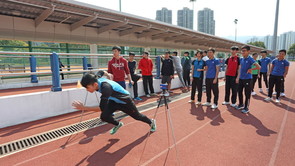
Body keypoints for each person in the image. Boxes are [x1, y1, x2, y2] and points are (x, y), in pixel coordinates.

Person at [72, 71, 156, 135]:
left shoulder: (106, 88)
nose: (87, 90)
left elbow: (101, 108)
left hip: (125, 101)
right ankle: (118, 124)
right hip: (114, 100)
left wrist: (84, 107)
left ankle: (151, 122)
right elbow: (101, 71)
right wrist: (108, 74)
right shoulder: (96, 78)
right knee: (104, 116)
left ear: (94, 84)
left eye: (87, 88)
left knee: (137, 116)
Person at [235, 45, 260, 113]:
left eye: (244, 51)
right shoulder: (241, 59)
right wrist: (238, 77)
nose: (242, 52)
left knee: (247, 93)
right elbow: (240, 68)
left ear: (248, 51)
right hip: (241, 78)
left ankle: (246, 107)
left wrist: (251, 69)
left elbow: (259, 67)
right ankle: (240, 104)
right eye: (242, 51)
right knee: (239, 92)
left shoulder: (250, 59)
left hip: (248, 79)